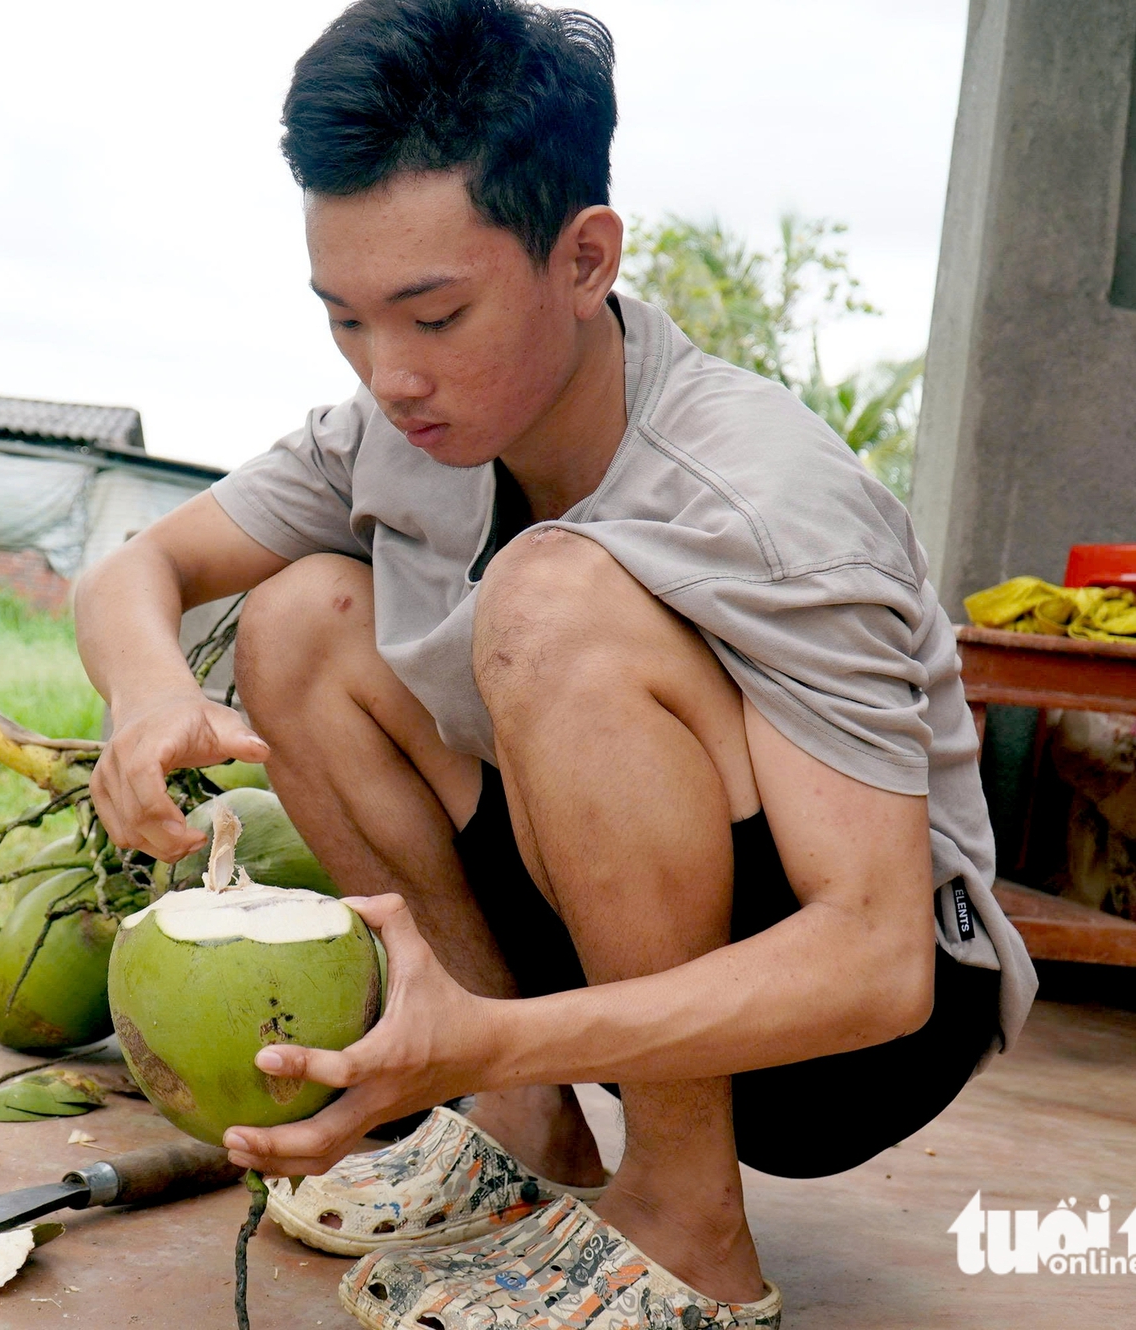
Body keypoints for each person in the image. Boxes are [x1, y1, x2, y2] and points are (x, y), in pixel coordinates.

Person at [73, 2, 1035, 1325]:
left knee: (550, 595)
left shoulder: (763, 496)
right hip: (606, 926)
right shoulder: (393, 435)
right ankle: (521, 1127)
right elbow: (137, 569)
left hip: (854, 1030)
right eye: (347, 320)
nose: (390, 374)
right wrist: (148, 696)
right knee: (297, 618)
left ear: (584, 260)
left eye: (435, 315)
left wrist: (490, 1032)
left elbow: (876, 964)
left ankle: (690, 1222)